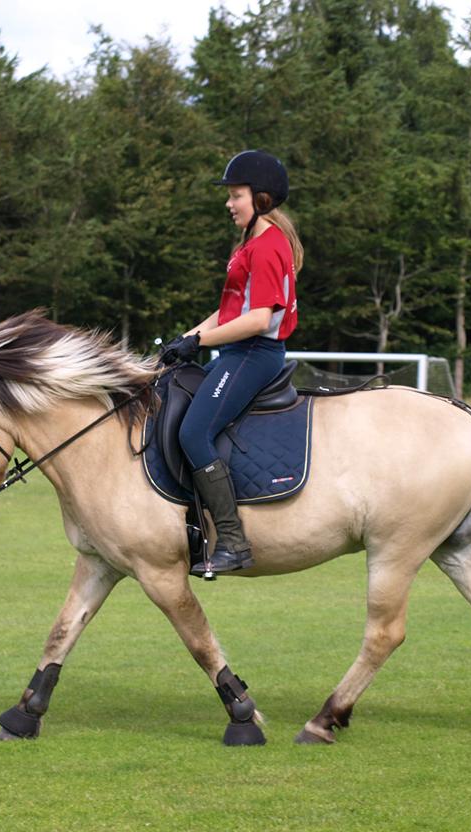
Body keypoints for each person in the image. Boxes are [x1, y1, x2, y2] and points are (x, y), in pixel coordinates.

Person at [160, 149, 303, 575]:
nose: (229, 203)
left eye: (236, 195)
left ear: (260, 199)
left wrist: (199, 342)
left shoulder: (268, 246)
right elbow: (228, 312)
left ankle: (233, 541)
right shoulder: (251, 244)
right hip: (238, 352)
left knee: (194, 432)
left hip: (254, 354)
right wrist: (185, 340)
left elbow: (257, 320)